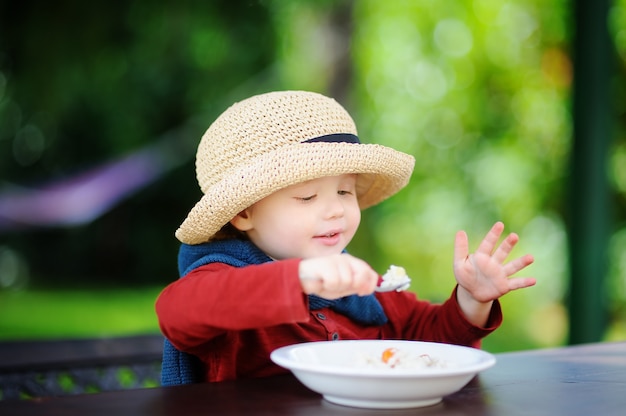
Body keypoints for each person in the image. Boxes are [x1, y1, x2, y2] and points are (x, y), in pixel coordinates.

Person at [155, 90, 535, 384]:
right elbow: (178, 311)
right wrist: (298, 279)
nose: (336, 209)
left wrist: (471, 301)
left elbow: (428, 340)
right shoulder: (222, 282)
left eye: (345, 191)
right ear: (243, 212)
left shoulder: (362, 289)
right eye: (306, 196)